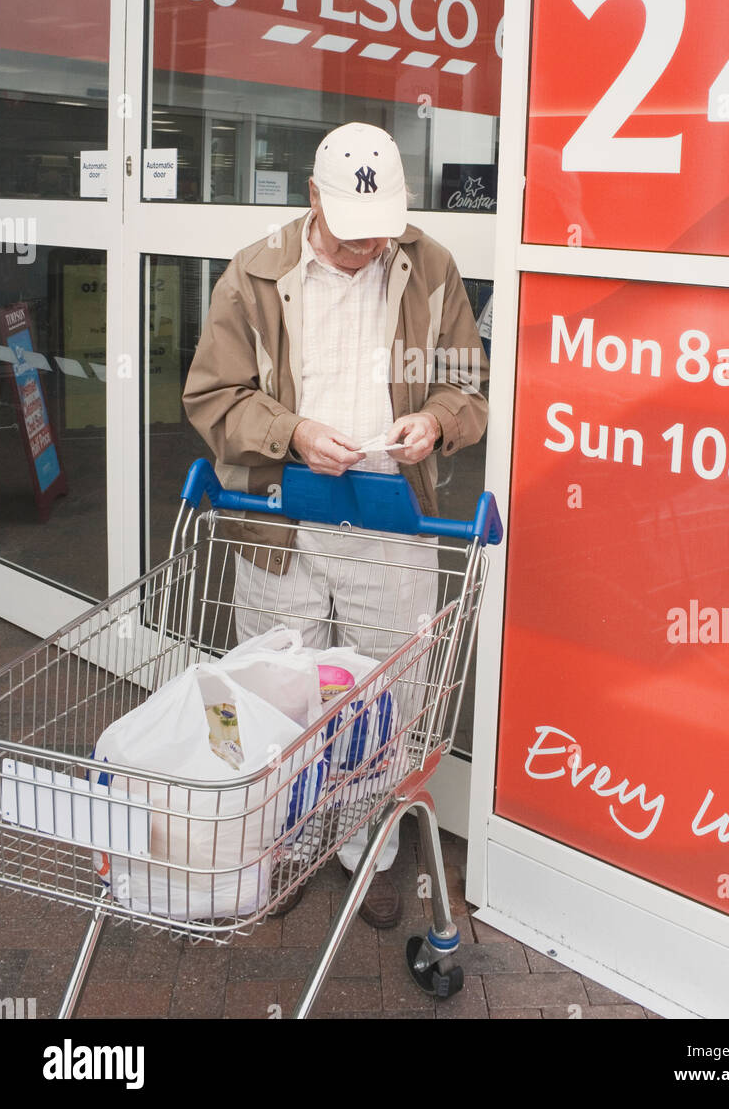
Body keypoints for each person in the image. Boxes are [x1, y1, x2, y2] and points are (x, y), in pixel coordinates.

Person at [182, 121, 488, 927]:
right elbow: (213, 398)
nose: (368, 247)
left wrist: (437, 422)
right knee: (281, 693)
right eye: (352, 236)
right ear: (312, 199)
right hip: (285, 515)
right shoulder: (253, 273)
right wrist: (294, 435)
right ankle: (284, 841)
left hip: (390, 516)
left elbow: (467, 390)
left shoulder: (430, 268)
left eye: (381, 229)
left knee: (383, 698)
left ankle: (368, 849)